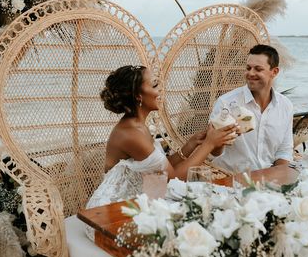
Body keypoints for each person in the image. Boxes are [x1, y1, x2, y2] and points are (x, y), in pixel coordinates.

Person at [86, 65, 238, 211]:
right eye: (154, 85)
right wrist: (209, 144)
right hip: (112, 211)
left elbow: (160, 170)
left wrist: (190, 146)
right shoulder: (131, 134)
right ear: (139, 96)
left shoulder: (138, 125)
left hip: (138, 200)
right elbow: (172, 180)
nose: (160, 89)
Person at [209, 44, 294, 173]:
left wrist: (279, 178)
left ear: (274, 72)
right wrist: (223, 138)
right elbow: (213, 152)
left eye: (258, 69)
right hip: (230, 178)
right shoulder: (226, 103)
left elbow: (284, 150)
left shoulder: (285, 106)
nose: (250, 73)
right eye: (248, 68)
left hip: (268, 178)